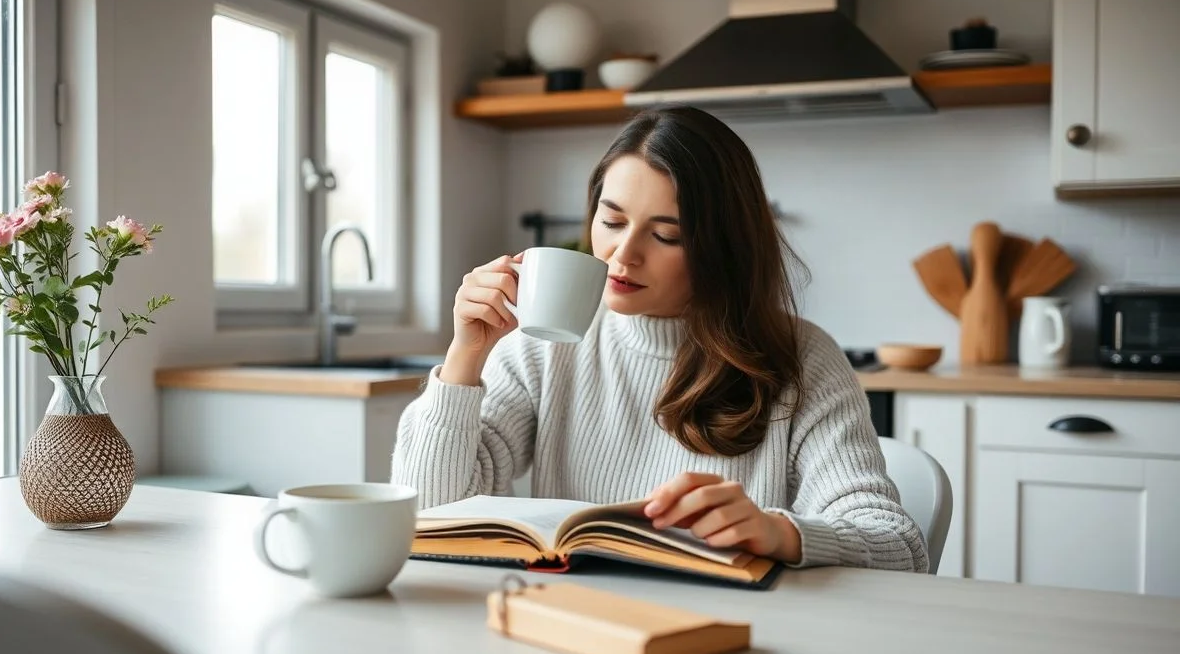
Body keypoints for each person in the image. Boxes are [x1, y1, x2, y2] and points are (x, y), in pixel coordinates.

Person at [391, 106, 928, 573]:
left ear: (722, 247)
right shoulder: (543, 344)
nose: (623, 255)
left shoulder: (802, 359)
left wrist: (776, 533)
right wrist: (466, 356)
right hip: (579, 630)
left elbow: (900, 546)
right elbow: (429, 510)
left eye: (666, 234)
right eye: (612, 220)